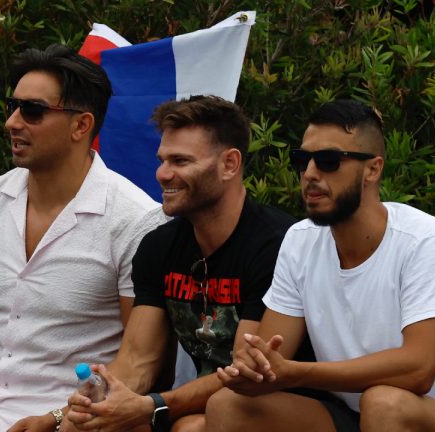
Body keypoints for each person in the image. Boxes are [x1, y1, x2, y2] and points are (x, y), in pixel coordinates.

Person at [0, 44, 165, 432]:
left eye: (32, 111)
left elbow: (139, 362)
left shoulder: (133, 219)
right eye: (12, 107)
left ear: (81, 125)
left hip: (75, 423)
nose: (12, 122)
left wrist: (59, 418)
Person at [207, 99, 435, 432]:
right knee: (228, 406)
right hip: (354, 412)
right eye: (302, 159)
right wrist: (253, 367)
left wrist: (298, 372)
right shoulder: (300, 241)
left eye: (328, 161)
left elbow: (418, 370)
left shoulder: (424, 241)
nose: (310, 173)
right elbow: (271, 355)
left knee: (384, 404)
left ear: (373, 169)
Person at [67, 95, 320, 432]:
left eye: (180, 161)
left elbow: (243, 372)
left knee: (195, 427)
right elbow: (138, 361)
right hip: (200, 405)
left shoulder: (276, 244)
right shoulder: (159, 246)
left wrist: (151, 405)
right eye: (162, 160)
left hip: (277, 404)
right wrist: (93, 406)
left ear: (230, 164)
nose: (163, 173)